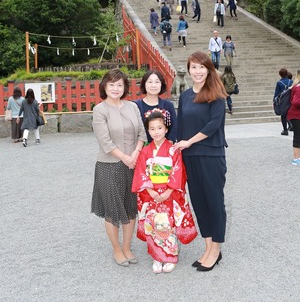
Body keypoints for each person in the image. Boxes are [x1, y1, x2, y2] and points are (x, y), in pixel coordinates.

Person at [174, 51, 228, 272]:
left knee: (214, 202)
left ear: (209, 69)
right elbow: (180, 127)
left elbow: (213, 125)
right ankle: (207, 247)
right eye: (193, 67)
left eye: (201, 67)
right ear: (188, 69)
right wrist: (177, 147)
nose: (197, 71)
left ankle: (215, 250)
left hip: (211, 155)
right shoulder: (185, 96)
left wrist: (189, 142)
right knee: (199, 202)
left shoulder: (216, 94)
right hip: (190, 157)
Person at [91, 69, 147, 267]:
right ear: (105, 86)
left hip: (133, 164)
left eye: (119, 85)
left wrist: (136, 153)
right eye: (111, 84)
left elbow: (142, 132)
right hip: (109, 166)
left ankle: (127, 247)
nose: (115, 88)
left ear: (125, 87)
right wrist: (125, 157)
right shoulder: (100, 110)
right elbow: (104, 141)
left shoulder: (132, 106)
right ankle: (116, 249)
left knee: (131, 208)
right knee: (113, 210)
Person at [132, 110, 198, 274]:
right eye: (152, 129)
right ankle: (157, 256)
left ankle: (170, 256)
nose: (156, 132)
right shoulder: (146, 151)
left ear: (166, 129)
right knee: (154, 224)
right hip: (152, 194)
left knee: (168, 224)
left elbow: (178, 171)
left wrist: (168, 190)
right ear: (148, 131)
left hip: (169, 193)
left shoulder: (173, 149)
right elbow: (141, 171)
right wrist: (150, 190)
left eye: (159, 128)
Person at [134, 70, 177, 144]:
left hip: (164, 149)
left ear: (161, 84)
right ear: (144, 84)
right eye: (150, 82)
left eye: (157, 82)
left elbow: (174, 126)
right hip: (142, 148)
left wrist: (168, 143)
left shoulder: (168, 105)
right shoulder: (135, 105)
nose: (153, 85)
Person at [273, 68, 293, 135]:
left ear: (280, 75)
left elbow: (276, 93)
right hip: (290, 100)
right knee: (290, 113)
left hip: (283, 101)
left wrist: (274, 102)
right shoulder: (291, 81)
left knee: (283, 115)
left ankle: (285, 130)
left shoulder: (279, 83)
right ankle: (291, 125)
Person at [287, 70, 300, 165]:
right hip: (297, 115)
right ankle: (296, 158)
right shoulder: (298, 87)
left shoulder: (295, 86)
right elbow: (295, 102)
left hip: (295, 114)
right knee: (297, 136)